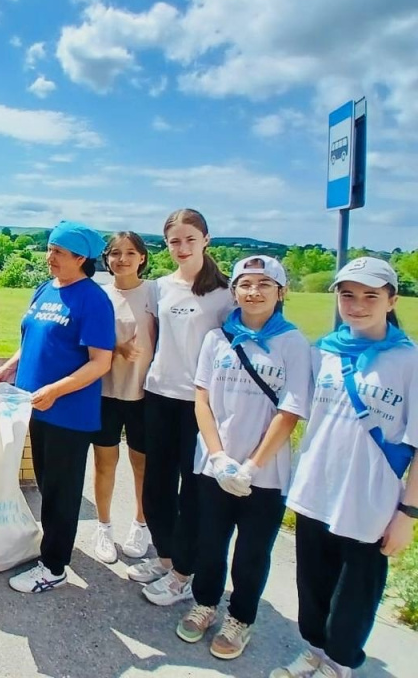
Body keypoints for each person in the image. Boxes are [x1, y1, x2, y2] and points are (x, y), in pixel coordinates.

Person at [272, 257, 418, 678]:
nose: (357, 304)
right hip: (316, 489)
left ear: (392, 300)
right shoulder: (323, 353)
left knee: (355, 594)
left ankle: (339, 664)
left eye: (371, 295)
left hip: (369, 500)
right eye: (348, 294)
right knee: (313, 584)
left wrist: (407, 514)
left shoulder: (408, 363)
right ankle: (315, 652)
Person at [176, 256, 311, 661]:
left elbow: (289, 411)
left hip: (264, 475)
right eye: (245, 284)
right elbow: (202, 397)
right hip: (214, 466)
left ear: (280, 293)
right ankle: (205, 603)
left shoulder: (294, 343)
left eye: (264, 285)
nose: (253, 292)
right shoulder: (217, 339)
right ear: (234, 290)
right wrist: (217, 457)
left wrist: (251, 466)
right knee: (211, 542)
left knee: (252, 550)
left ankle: (240, 618)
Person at [0, 221, 115, 593]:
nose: (50, 257)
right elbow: (31, 340)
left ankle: (54, 566)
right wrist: (9, 368)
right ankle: (53, 546)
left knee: (62, 489)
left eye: (58, 252)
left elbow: (99, 362)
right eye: (50, 249)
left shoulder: (93, 300)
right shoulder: (45, 290)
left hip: (68, 412)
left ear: (81, 258)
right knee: (47, 483)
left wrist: (56, 390)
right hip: (35, 406)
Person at [132, 208, 234, 606]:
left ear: (206, 240)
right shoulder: (160, 288)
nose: (182, 247)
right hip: (158, 395)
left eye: (190, 239)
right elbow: (156, 341)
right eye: (175, 240)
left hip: (199, 404)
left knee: (192, 492)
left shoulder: (225, 293)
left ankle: (183, 573)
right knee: (156, 488)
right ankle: (166, 557)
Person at [91, 231, 157, 564]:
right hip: (105, 391)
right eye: (115, 253)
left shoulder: (155, 294)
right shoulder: (100, 295)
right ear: (107, 258)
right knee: (105, 463)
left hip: (145, 393)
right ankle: (103, 527)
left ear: (142, 257)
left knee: (142, 464)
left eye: (130, 253)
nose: (122, 259)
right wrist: (117, 348)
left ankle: (141, 524)